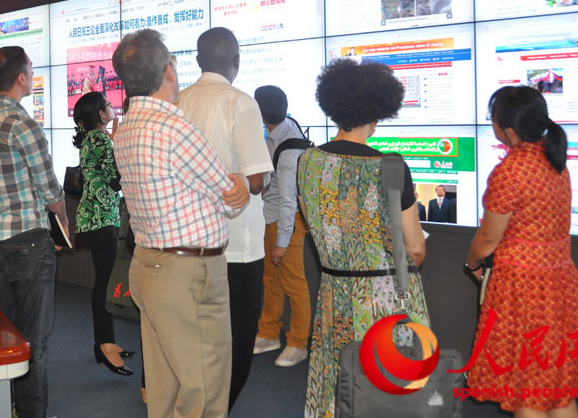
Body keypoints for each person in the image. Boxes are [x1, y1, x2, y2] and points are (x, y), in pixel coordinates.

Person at [111, 29, 250, 418]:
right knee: (203, 393)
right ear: (170, 70)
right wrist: (233, 188)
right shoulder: (175, 128)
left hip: (150, 267)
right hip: (189, 274)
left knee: (164, 389)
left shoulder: (125, 129)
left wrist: (226, 189)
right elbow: (229, 189)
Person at [297, 59, 428, 418]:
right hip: (383, 302)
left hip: (333, 296)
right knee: (384, 389)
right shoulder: (390, 166)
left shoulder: (307, 162)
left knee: (336, 384)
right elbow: (415, 247)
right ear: (377, 112)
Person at [463, 85, 578, 417]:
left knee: (527, 386)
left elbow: (487, 238)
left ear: (508, 131)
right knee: (555, 384)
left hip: (522, 289)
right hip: (560, 282)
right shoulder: (555, 161)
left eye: (492, 120)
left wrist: (471, 263)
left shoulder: (511, 171)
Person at [0, 46, 68, 418]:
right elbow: (49, 188)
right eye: (31, 70)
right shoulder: (24, 123)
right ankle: (31, 413)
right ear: (22, 79)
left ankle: (5, 406)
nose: (33, 75)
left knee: (4, 331)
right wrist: (63, 223)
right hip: (28, 239)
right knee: (34, 340)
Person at [177, 26, 273, 410]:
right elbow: (254, 180)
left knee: (196, 338)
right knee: (236, 338)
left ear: (198, 61)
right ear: (237, 61)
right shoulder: (240, 102)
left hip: (187, 241)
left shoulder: (178, 100)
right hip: (238, 247)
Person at [71, 91, 133, 377]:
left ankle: (104, 342)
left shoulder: (96, 138)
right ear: (100, 113)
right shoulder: (99, 139)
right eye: (108, 104)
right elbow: (112, 178)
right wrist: (119, 140)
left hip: (99, 217)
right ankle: (105, 344)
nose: (112, 106)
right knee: (105, 284)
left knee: (104, 281)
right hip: (100, 219)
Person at [252, 85, 311, 368]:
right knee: (271, 281)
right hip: (271, 217)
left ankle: (298, 342)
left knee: (294, 285)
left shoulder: (289, 148)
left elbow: (290, 200)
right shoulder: (279, 130)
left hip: (288, 222)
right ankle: (268, 333)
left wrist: (282, 242)